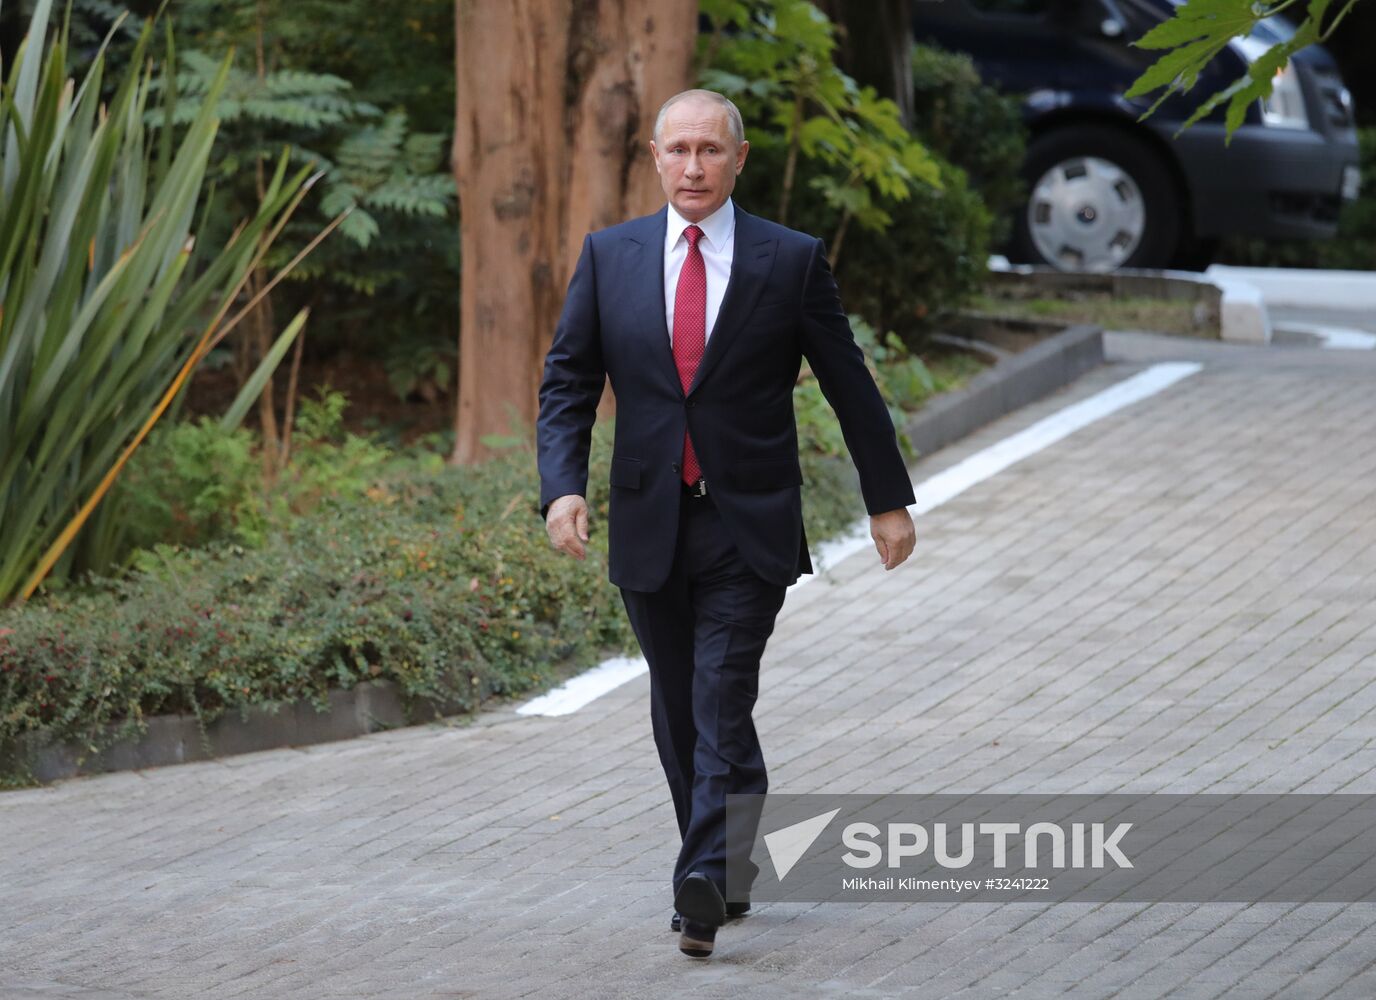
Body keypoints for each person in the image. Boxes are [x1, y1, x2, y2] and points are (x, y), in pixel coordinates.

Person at [536, 89, 917, 958]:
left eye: (711, 149)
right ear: (655, 158)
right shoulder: (611, 257)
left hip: (748, 521)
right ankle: (729, 864)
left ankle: (701, 881)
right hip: (649, 519)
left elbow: (849, 384)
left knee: (718, 694)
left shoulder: (790, 260)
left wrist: (886, 500)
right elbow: (568, 381)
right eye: (678, 150)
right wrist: (562, 488)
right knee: (681, 709)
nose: (694, 166)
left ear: (738, 159)